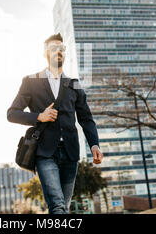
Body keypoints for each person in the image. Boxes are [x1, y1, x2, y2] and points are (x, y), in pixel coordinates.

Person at [7, 33, 103, 214]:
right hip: (44, 153)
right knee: (58, 206)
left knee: (63, 208)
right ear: (45, 53)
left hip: (71, 153)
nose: (58, 52)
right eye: (53, 48)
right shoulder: (30, 82)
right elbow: (12, 114)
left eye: (62, 49)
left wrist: (94, 144)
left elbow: (86, 118)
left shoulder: (74, 84)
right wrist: (39, 116)